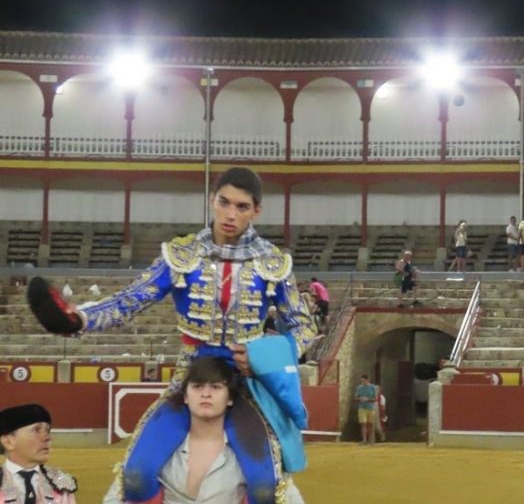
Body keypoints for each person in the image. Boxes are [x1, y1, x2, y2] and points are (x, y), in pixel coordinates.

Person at [26, 167, 315, 504]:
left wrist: (261, 357)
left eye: (241, 207)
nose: (230, 214)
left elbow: (305, 327)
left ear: (256, 211)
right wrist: (79, 319)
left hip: (246, 382)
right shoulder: (182, 256)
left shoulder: (273, 263)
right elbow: (130, 300)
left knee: (265, 488)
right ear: (212, 201)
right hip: (190, 376)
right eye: (224, 203)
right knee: (136, 475)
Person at [104, 356, 303, 503]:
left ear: (230, 398)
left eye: (216, 387)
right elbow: (115, 499)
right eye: (198, 386)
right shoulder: (157, 448)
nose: (206, 394)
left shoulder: (255, 453)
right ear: (185, 396)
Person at [0, 404, 77, 503]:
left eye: (47, 430)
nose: (48, 437)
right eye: (36, 430)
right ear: (8, 442)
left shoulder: (61, 483)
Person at [355, 375, 379, 445]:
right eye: (361, 381)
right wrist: (360, 399)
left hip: (371, 408)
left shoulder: (373, 387)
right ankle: (364, 440)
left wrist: (367, 399)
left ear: (368, 380)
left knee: (370, 424)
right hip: (362, 408)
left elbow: (376, 399)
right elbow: (356, 397)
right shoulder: (359, 388)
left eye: (363, 380)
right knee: (363, 424)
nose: (362, 382)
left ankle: (371, 440)